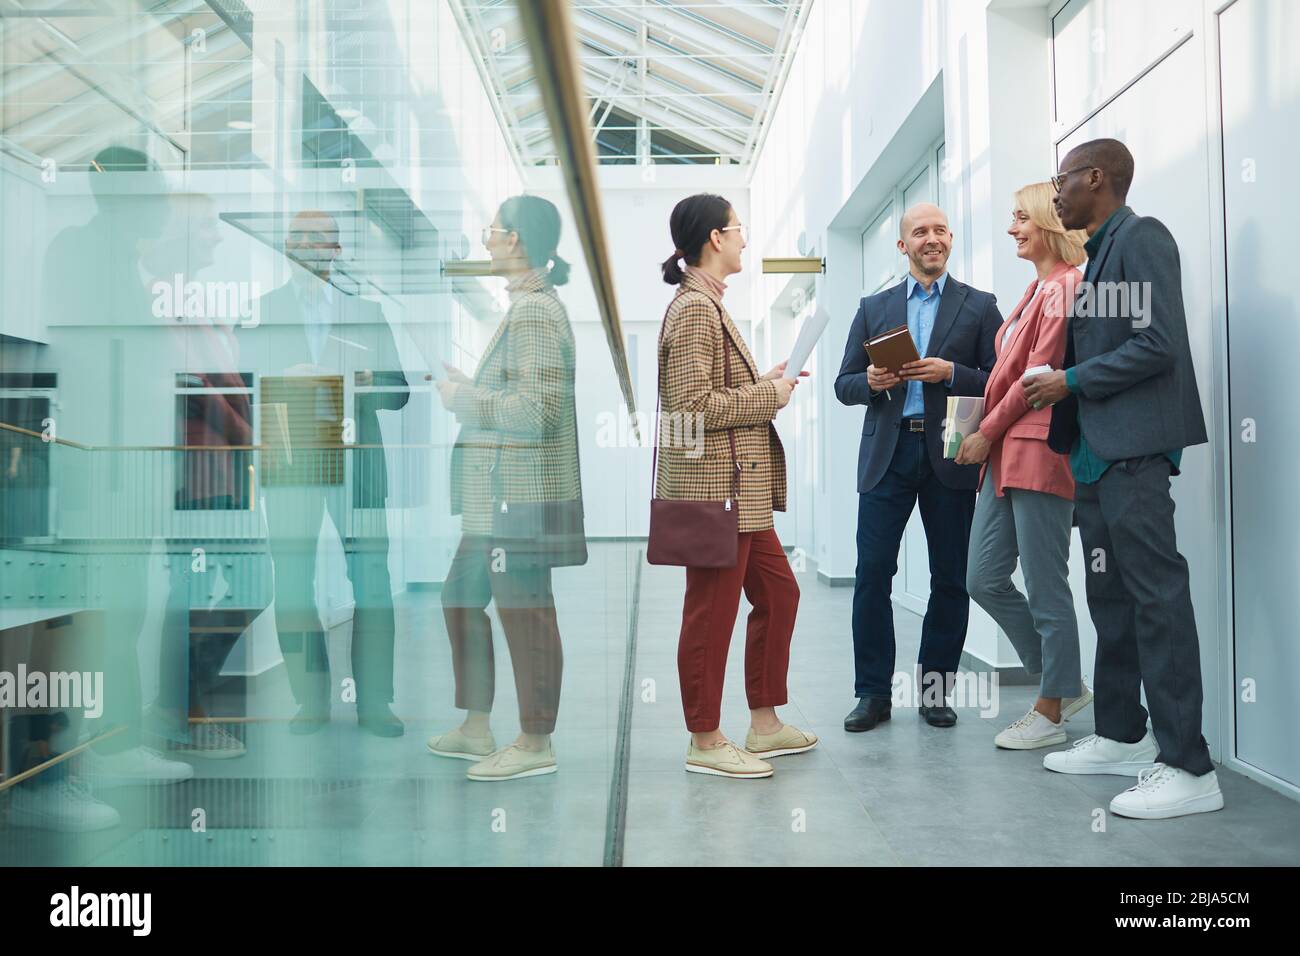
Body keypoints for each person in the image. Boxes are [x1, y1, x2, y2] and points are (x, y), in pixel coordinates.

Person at [1024, 138, 1222, 819]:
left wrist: (1069, 379)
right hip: (1096, 451)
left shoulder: (1142, 238)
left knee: (1156, 599)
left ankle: (1190, 768)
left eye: (1063, 180)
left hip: (1134, 451)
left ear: (1097, 178)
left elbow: (1158, 342)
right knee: (1110, 600)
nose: (1055, 194)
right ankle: (1121, 734)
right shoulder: (1098, 251)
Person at [656, 193, 815, 779]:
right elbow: (691, 406)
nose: (746, 238)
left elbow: (713, 392)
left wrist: (763, 379)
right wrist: (770, 395)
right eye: (739, 229)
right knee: (711, 614)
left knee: (779, 595)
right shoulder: (696, 309)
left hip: (742, 497)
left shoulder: (709, 304)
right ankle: (704, 738)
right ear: (716, 238)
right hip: (718, 493)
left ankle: (765, 724)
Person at [427, 195, 584, 782]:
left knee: (526, 612)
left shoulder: (535, 312)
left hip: (518, 497)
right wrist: (475, 387)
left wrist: (466, 399)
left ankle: (535, 740)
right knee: (460, 597)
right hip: (493, 502)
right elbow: (521, 397)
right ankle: (475, 726)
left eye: (491, 230)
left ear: (514, 240)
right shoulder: (523, 307)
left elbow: (538, 412)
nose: (485, 239)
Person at [835, 203, 1002, 732]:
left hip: (951, 450)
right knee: (872, 576)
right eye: (919, 232)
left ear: (950, 239)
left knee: (949, 578)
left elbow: (1001, 381)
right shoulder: (874, 306)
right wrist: (874, 383)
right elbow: (844, 384)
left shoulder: (979, 306)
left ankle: (935, 694)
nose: (931, 238)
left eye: (939, 230)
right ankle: (872, 695)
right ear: (903, 246)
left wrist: (952, 371)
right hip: (888, 454)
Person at [251, 210, 409, 738]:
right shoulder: (261, 311)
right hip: (291, 464)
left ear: (336, 250)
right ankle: (310, 702)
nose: (304, 244)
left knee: (372, 583)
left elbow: (401, 391)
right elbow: (239, 386)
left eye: (318, 237)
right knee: (293, 584)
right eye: (295, 234)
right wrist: (280, 380)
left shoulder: (365, 312)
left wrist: (365, 380)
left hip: (357, 465)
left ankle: (375, 704)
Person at [956, 182, 1092, 749]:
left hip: (1035, 452)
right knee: (981, 577)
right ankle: (1063, 681)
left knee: (1044, 582)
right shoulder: (1034, 291)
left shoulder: (1066, 287)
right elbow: (1003, 374)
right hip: (1004, 456)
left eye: (1020, 218)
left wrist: (985, 431)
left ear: (1045, 223)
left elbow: (1036, 380)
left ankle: (1051, 707)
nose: (1013, 229)